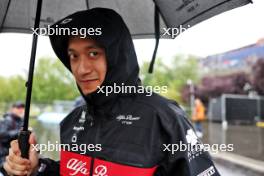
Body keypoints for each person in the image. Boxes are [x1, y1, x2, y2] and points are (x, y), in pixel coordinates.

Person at [1, 8, 220, 176]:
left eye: (94, 53)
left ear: (117, 55)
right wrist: (37, 168)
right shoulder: (73, 120)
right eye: (74, 56)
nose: (82, 69)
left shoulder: (164, 119)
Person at [0, 101, 25, 166]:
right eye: (18, 107)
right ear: (13, 109)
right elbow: (2, 135)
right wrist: (19, 132)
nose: (21, 110)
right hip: (4, 154)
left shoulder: (21, 120)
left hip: (15, 153)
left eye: (22, 107)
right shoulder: (8, 119)